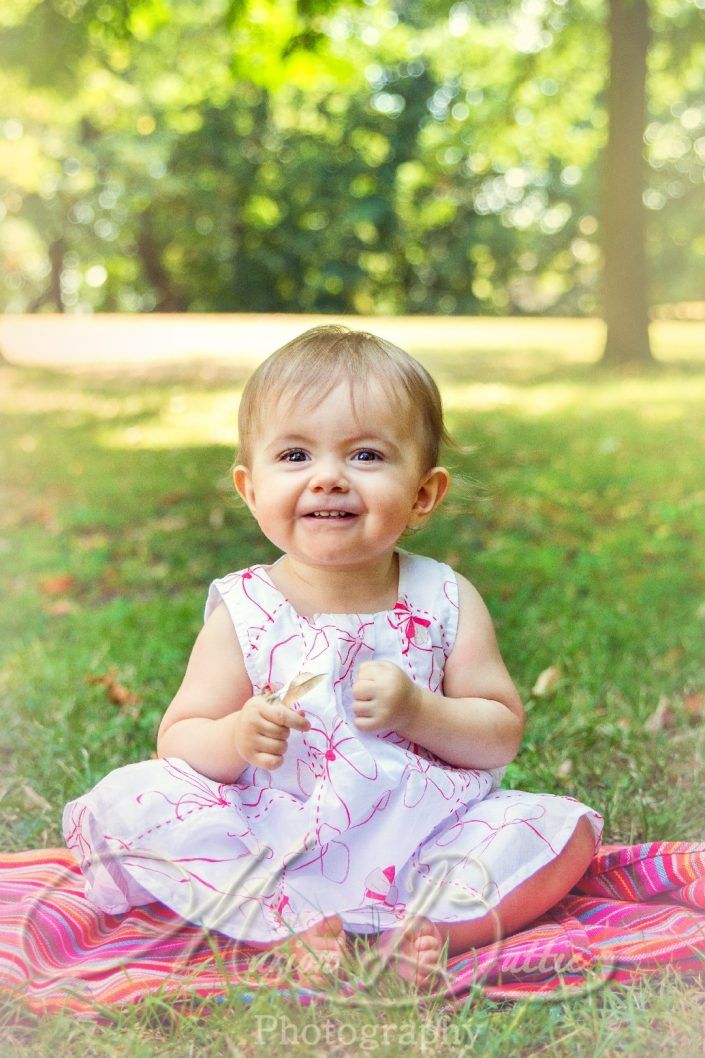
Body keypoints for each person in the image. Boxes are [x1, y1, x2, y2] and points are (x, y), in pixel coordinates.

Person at [63, 325, 602, 989]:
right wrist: (236, 735)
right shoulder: (247, 608)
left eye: (366, 455)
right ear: (249, 487)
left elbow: (498, 735)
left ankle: (429, 929)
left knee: (562, 829)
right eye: (293, 455)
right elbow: (177, 740)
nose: (327, 479)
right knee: (135, 797)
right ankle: (284, 923)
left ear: (423, 493)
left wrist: (418, 709)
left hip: (425, 832)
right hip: (269, 835)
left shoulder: (443, 597)